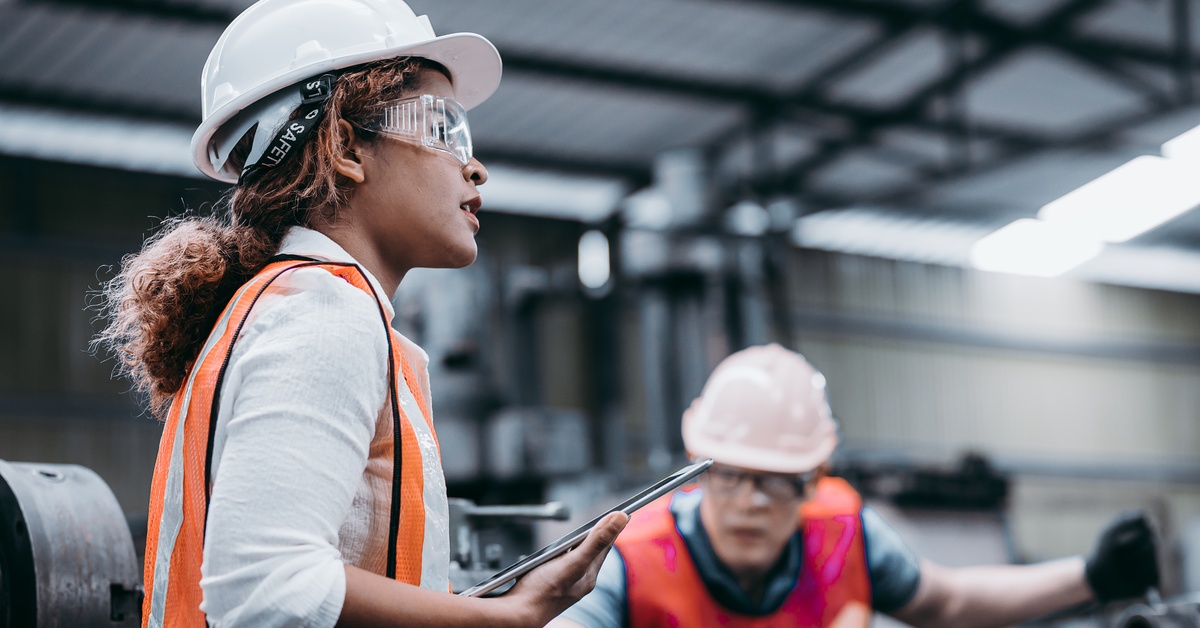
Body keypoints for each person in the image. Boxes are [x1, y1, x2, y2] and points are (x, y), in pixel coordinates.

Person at [93, 0, 626, 626]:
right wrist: (504, 620)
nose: (474, 165)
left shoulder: (282, 305)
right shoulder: (323, 312)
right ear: (346, 147)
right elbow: (265, 588)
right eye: (441, 128)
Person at [550, 344, 1160, 627]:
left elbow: (947, 601)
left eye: (775, 482)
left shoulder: (847, 538)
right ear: (696, 467)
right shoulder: (630, 562)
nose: (749, 502)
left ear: (815, 479)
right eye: (730, 475)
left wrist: (1093, 576)